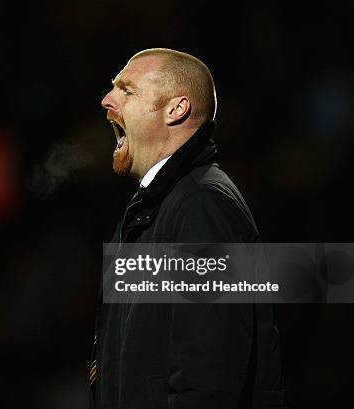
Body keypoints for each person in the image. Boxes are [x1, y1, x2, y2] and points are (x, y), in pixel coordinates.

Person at [90, 48, 285, 409]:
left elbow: (210, 380)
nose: (107, 100)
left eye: (127, 90)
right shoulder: (152, 209)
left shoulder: (202, 205)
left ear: (176, 110)